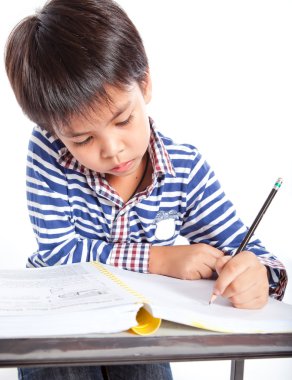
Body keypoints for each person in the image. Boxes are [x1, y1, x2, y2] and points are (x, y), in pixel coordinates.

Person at [5, 0, 287, 379]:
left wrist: (256, 275)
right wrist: (160, 259)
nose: (112, 149)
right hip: (59, 320)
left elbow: (249, 251)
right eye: (83, 139)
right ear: (55, 133)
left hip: (138, 322)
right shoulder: (49, 153)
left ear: (145, 84)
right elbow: (60, 253)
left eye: (123, 120)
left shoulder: (184, 168)